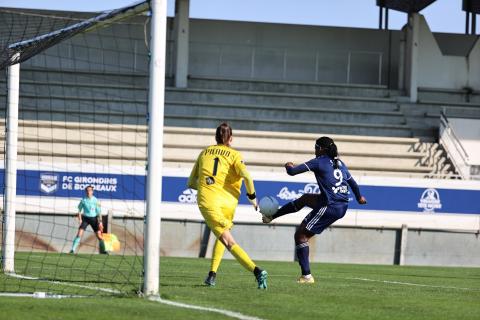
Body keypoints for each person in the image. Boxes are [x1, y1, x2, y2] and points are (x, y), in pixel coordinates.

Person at [262, 136, 367, 284]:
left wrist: (288, 165)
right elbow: (353, 183)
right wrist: (359, 197)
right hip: (341, 204)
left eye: (316, 147)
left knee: (300, 236)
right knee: (305, 198)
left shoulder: (318, 162)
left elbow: (292, 172)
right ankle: (272, 216)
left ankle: (306, 276)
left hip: (330, 206)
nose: (314, 150)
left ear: (321, 149)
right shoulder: (340, 163)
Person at [188, 123, 268, 289]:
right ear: (231, 139)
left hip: (209, 203)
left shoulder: (204, 153)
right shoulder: (234, 154)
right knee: (223, 236)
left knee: (228, 240)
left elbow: (191, 182)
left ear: (216, 137)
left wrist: (207, 186)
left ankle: (257, 271)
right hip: (229, 203)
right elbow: (246, 175)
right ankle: (212, 275)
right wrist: (252, 197)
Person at [70, 185, 107, 254]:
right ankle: (72, 250)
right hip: (85, 219)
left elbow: (99, 212)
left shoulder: (96, 200)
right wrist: (80, 219)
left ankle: (104, 251)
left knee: (99, 236)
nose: (88, 192)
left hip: (94, 219)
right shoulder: (83, 200)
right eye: (87, 190)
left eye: (90, 190)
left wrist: (100, 222)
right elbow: (79, 210)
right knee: (79, 234)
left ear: (92, 191)